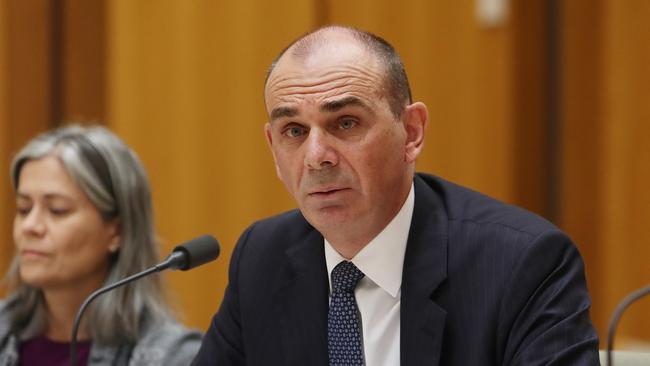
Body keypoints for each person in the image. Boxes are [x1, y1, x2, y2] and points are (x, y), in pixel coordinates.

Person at [192, 25, 600, 365]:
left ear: (412, 132)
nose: (316, 157)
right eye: (294, 132)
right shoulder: (263, 257)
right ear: (274, 150)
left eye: (346, 123)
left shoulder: (520, 264)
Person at [0, 125, 201, 365]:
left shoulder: (173, 356)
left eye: (57, 210)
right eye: (24, 209)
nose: (30, 226)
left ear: (117, 230)